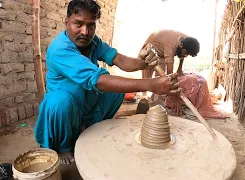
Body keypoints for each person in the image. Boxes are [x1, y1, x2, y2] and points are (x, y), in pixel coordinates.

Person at [34, 0, 180, 165]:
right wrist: (150, 84)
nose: (85, 32)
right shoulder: (60, 49)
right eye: (78, 24)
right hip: (66, 105)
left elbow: (119, 60)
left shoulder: (93, 41)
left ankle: (87, 129)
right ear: (66, 22)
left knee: (116, 92)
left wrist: (143, 62)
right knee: (60, 102)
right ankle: (63, 145)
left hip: (85, 99)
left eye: (91, 26)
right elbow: (98, 80)